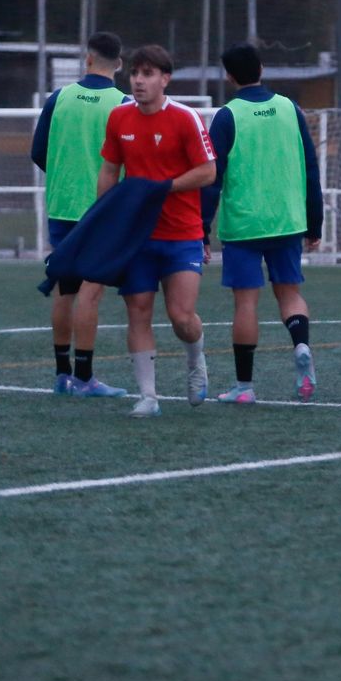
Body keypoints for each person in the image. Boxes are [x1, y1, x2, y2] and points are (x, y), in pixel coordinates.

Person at [98, 45, 217, 418]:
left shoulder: (186, 118)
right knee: (138, 311)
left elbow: (208, 172)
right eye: (135, 73)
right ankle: (148, 396)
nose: (138, 80)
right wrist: (105, 218)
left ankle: (196, 358)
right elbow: (108, 171)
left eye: (148, 74)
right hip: (137, 236)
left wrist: (165, 188)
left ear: (165, 79)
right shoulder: (118, 118)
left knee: (182, 316)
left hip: (182, 233)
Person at [204, 43, 324, 402]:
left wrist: (201, 227)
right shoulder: (289, 108)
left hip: (244, 225)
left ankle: (244, 387)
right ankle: (300, 344)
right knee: (290, 294)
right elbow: (311, 168)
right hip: (287, 219)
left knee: (246, 304)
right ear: (263, 68)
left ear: (229, 76)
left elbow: (213, 178)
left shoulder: (227, 116)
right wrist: (314, 222)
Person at [31, 31, 132, 397]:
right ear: (119, 64)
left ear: (87, 59)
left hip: (61, 206)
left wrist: (63, 175)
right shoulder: (123, 104)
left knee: (64, 289)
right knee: (91, 292)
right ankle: (85, 378)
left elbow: (38, 152)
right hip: (102, 210)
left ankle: (62, 375)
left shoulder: (58, 98)